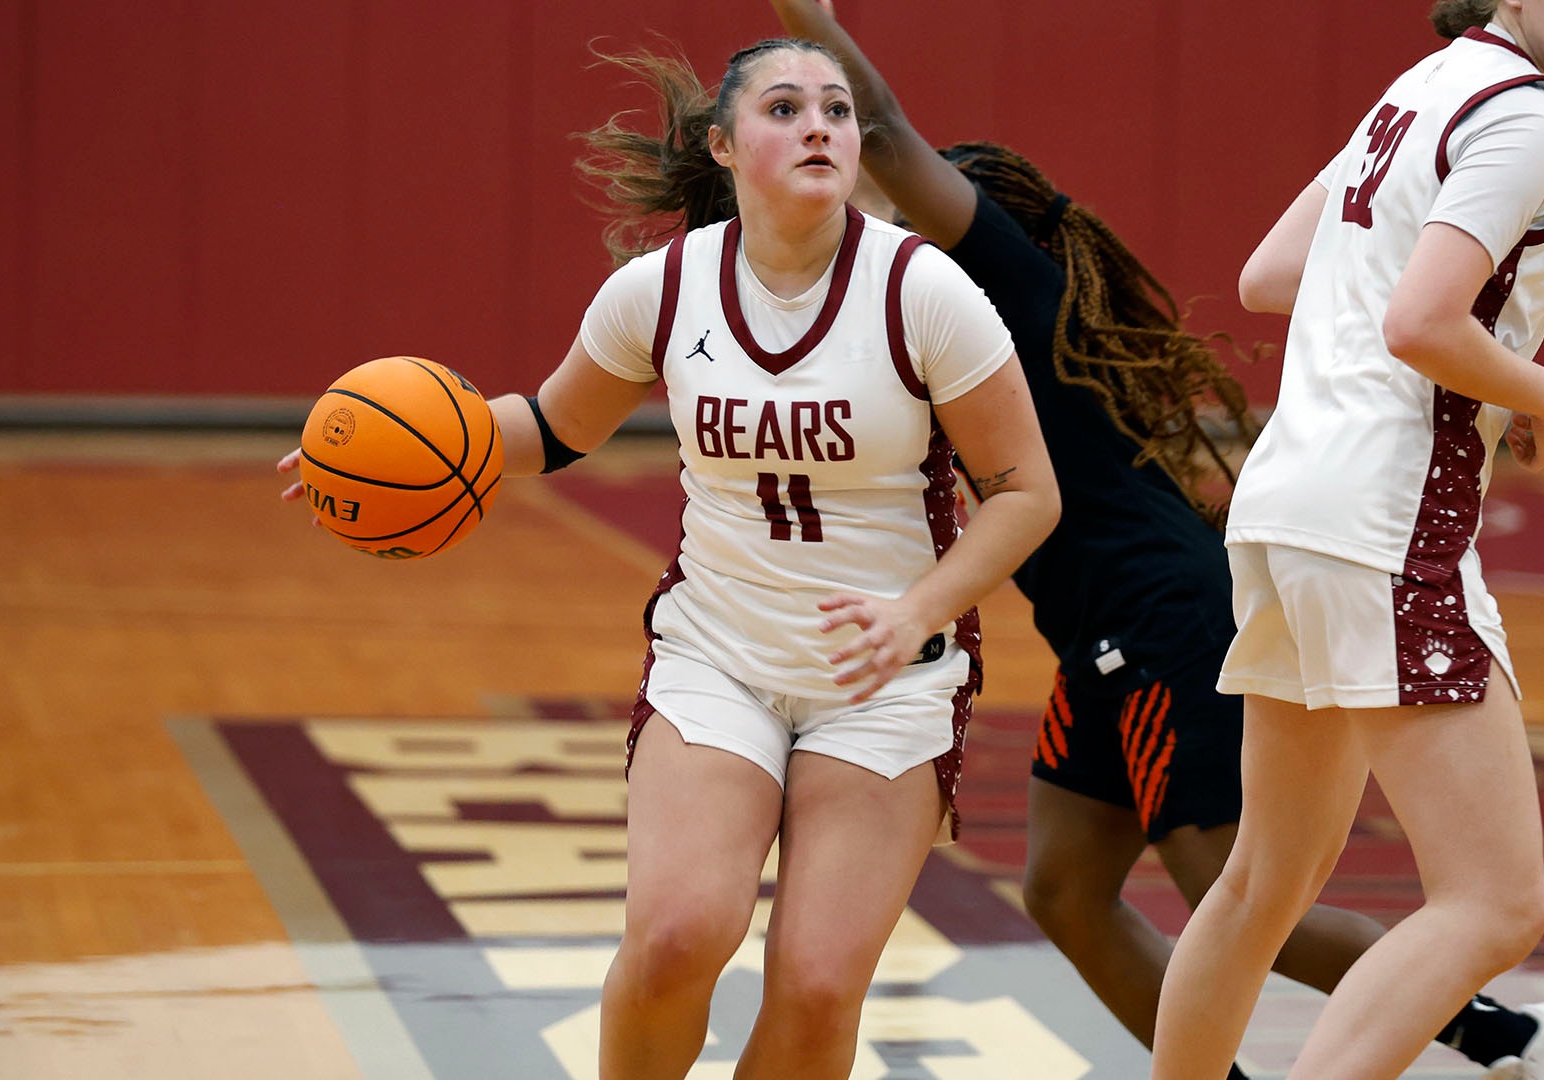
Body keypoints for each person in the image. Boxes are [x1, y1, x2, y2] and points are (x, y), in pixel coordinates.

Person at [769, 1, 1544, 1078]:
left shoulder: (1012, 281)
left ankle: (1509, 1034)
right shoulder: (934, 326)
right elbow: (1309, 288)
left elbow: (881, 129)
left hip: (1177, 601)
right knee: (1120, 885)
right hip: (1169, 595)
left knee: (1252, 884)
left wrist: (809, 22)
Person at [282, 36, 1059, 1080]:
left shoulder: (924, 293)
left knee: (820, 983)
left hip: (883, 680)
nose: (818, 125)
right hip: (719, 657)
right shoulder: (662, 289)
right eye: (784, 108)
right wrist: (384, 448)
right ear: (723, 144)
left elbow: (1027, 494)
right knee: (676, 939)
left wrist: (919, 610)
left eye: (835, 108)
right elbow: (553, 430)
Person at [1146, 0, 1544, 1077]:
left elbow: (1271, 274)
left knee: (1262, 880)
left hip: (1287, 503)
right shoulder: (1527, 116)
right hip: (1383, 518)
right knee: (1496, 904)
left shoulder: (1423, 86)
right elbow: (1421, 322)